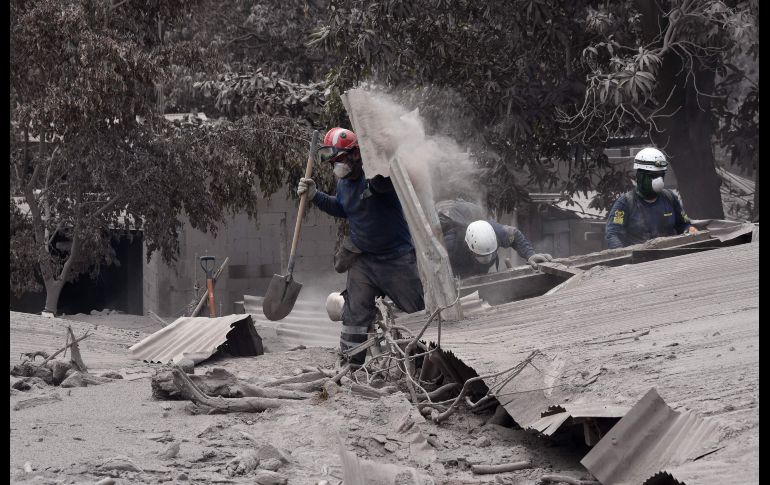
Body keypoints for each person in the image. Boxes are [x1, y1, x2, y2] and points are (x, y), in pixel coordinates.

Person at [297, 127, 425, 366]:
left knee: (416, 312)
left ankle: (422, 364)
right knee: (355, 315)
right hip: (364, 260)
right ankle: (350, 365)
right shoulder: (344, 183)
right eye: (334, 162)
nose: (338, 166)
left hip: (396, 258)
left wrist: (378, 176)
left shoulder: (378, 177)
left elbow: (389, 180)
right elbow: (343, 208)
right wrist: (315, 195)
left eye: (341, 159)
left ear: (356, 154)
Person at [605, 147, 698, 249]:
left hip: (671, 257)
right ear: (640, 176)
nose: (659, 180)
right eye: (653, 176)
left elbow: (683, 225)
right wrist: (623, 258)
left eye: (661, 175)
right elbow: (613, 234)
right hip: (640, 260)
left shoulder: (670, 198)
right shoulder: (625, 203)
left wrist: (689, 229)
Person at [436, 199, 553, 279]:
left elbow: (516, 235)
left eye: (489, 254)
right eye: (481, 256)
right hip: (458, 269)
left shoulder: (499, 232)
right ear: (469, 246)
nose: (487, 259)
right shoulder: (449, 244)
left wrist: (530, 254)